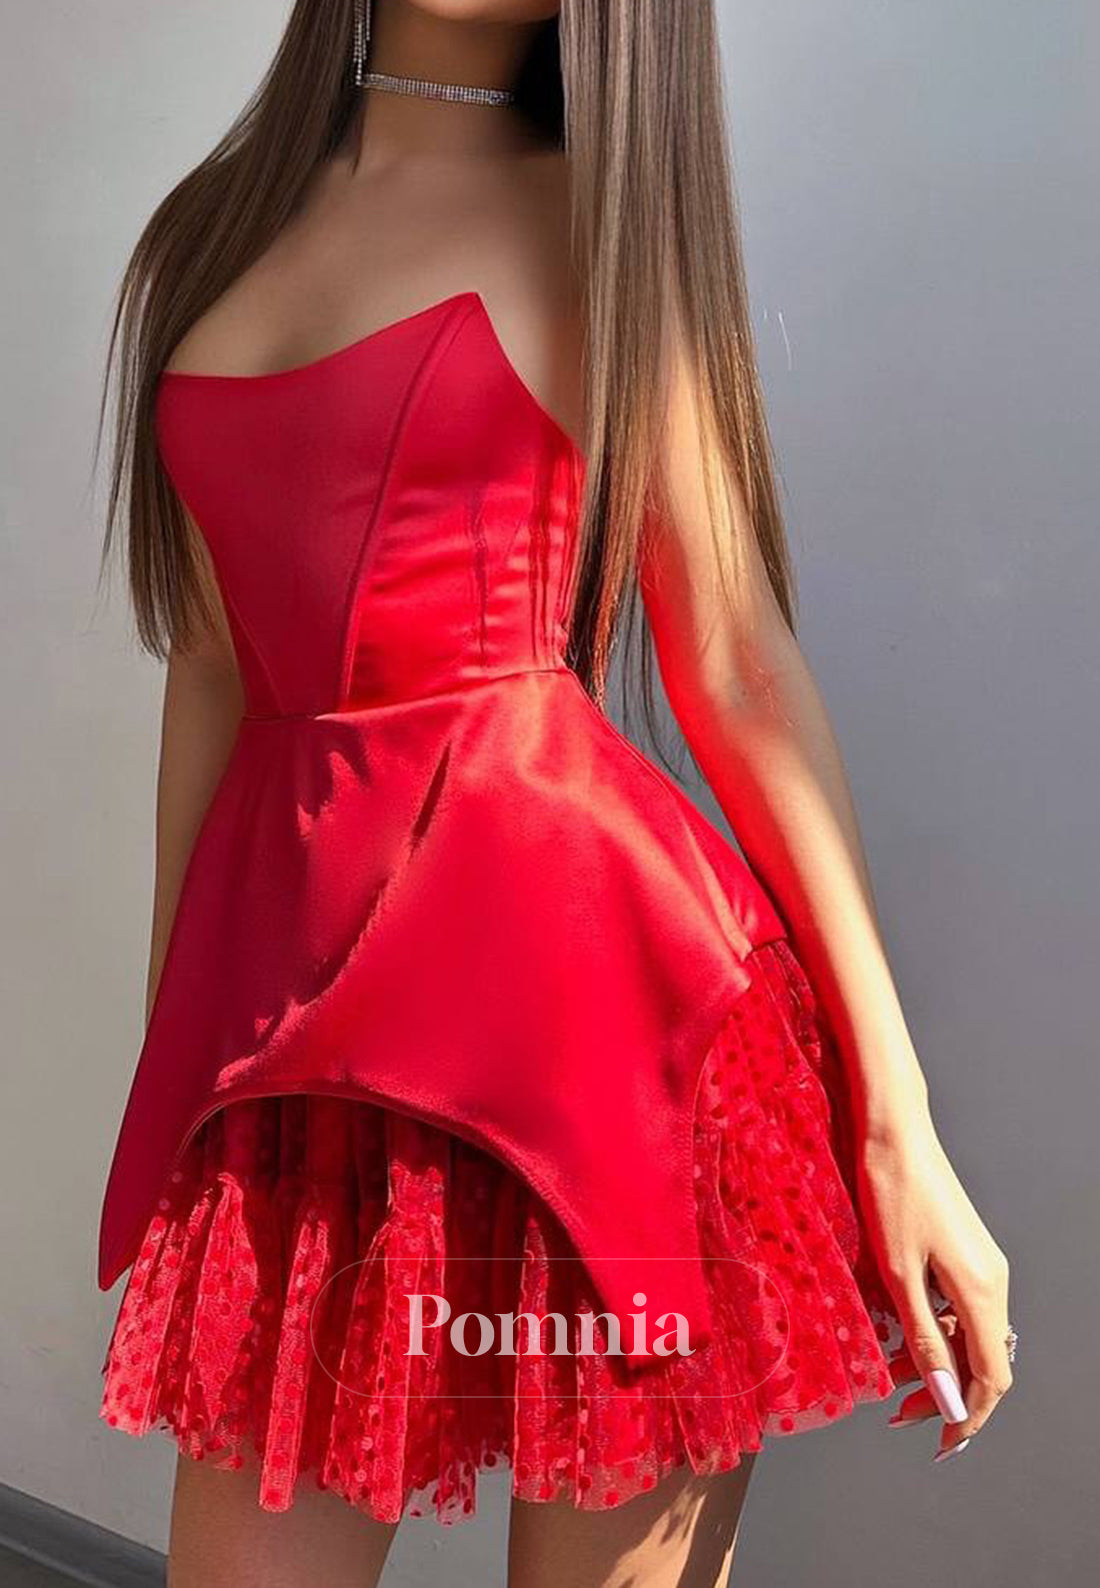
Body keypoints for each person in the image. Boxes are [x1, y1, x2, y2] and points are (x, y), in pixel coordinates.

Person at [94, 4, 1014, 1585]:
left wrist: (898, 1121)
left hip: (613, 1050)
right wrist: (179, 1056)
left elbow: (734, 664)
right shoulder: (213, 224)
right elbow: (215, 665)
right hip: (306, 1073)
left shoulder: (604, 231)